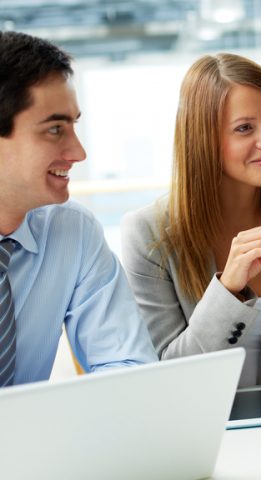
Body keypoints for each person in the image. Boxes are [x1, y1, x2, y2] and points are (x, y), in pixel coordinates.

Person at [120, 53, 261, 386]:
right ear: (203, 139)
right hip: (197, 425)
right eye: (244, 128)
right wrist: (228, 289)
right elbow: (168, 374)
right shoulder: (148, 234)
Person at [0, 31, 157, 386]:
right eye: (55, 129)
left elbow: (128, 366)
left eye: (73, 125)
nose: (78, 153)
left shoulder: (72, 230)